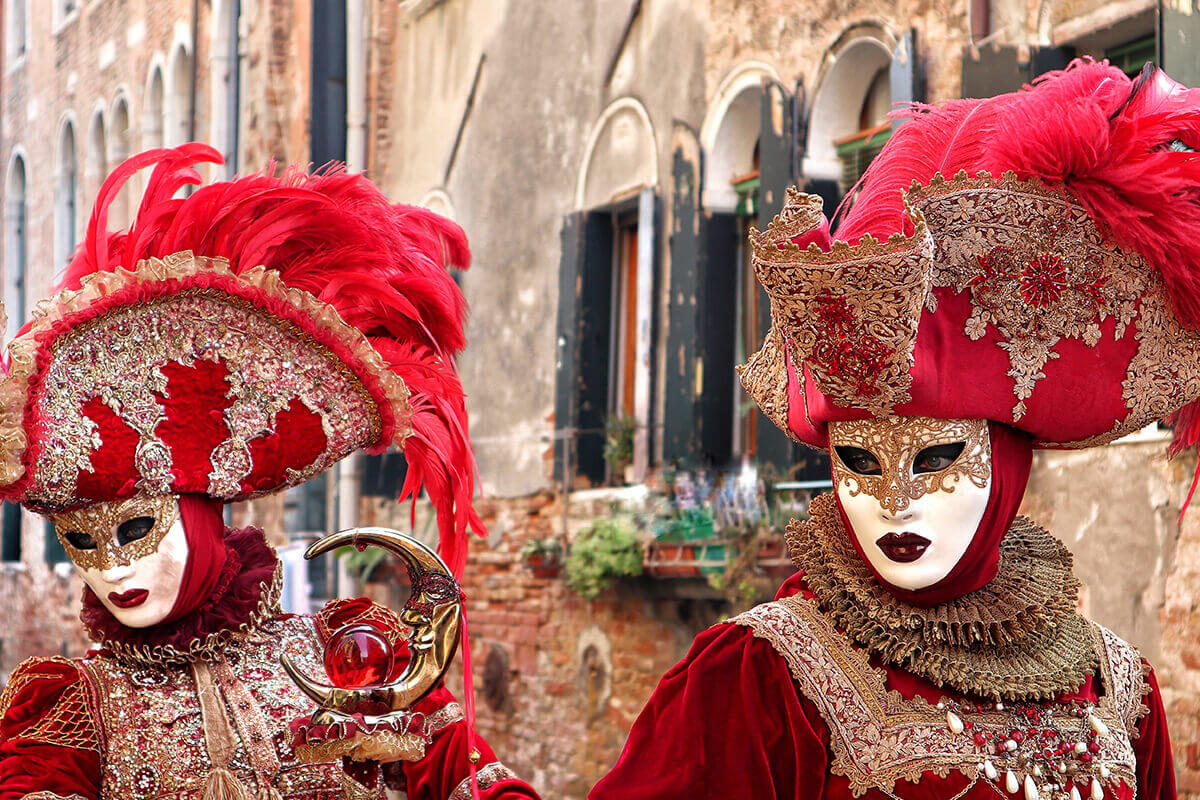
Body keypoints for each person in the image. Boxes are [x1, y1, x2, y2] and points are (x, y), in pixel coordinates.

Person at [592, 60, 1193, 800]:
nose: (894, 501)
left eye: (937, 457)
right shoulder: (764, 681)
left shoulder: (1119, 690)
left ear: (1008, 459)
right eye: (859, 462)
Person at [0, 145, 540, 800]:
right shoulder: (75, 713)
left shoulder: (348, 655)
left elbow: (466, 777)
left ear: (199, 518)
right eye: (82, 543)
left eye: (137, 529)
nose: (112, 570)